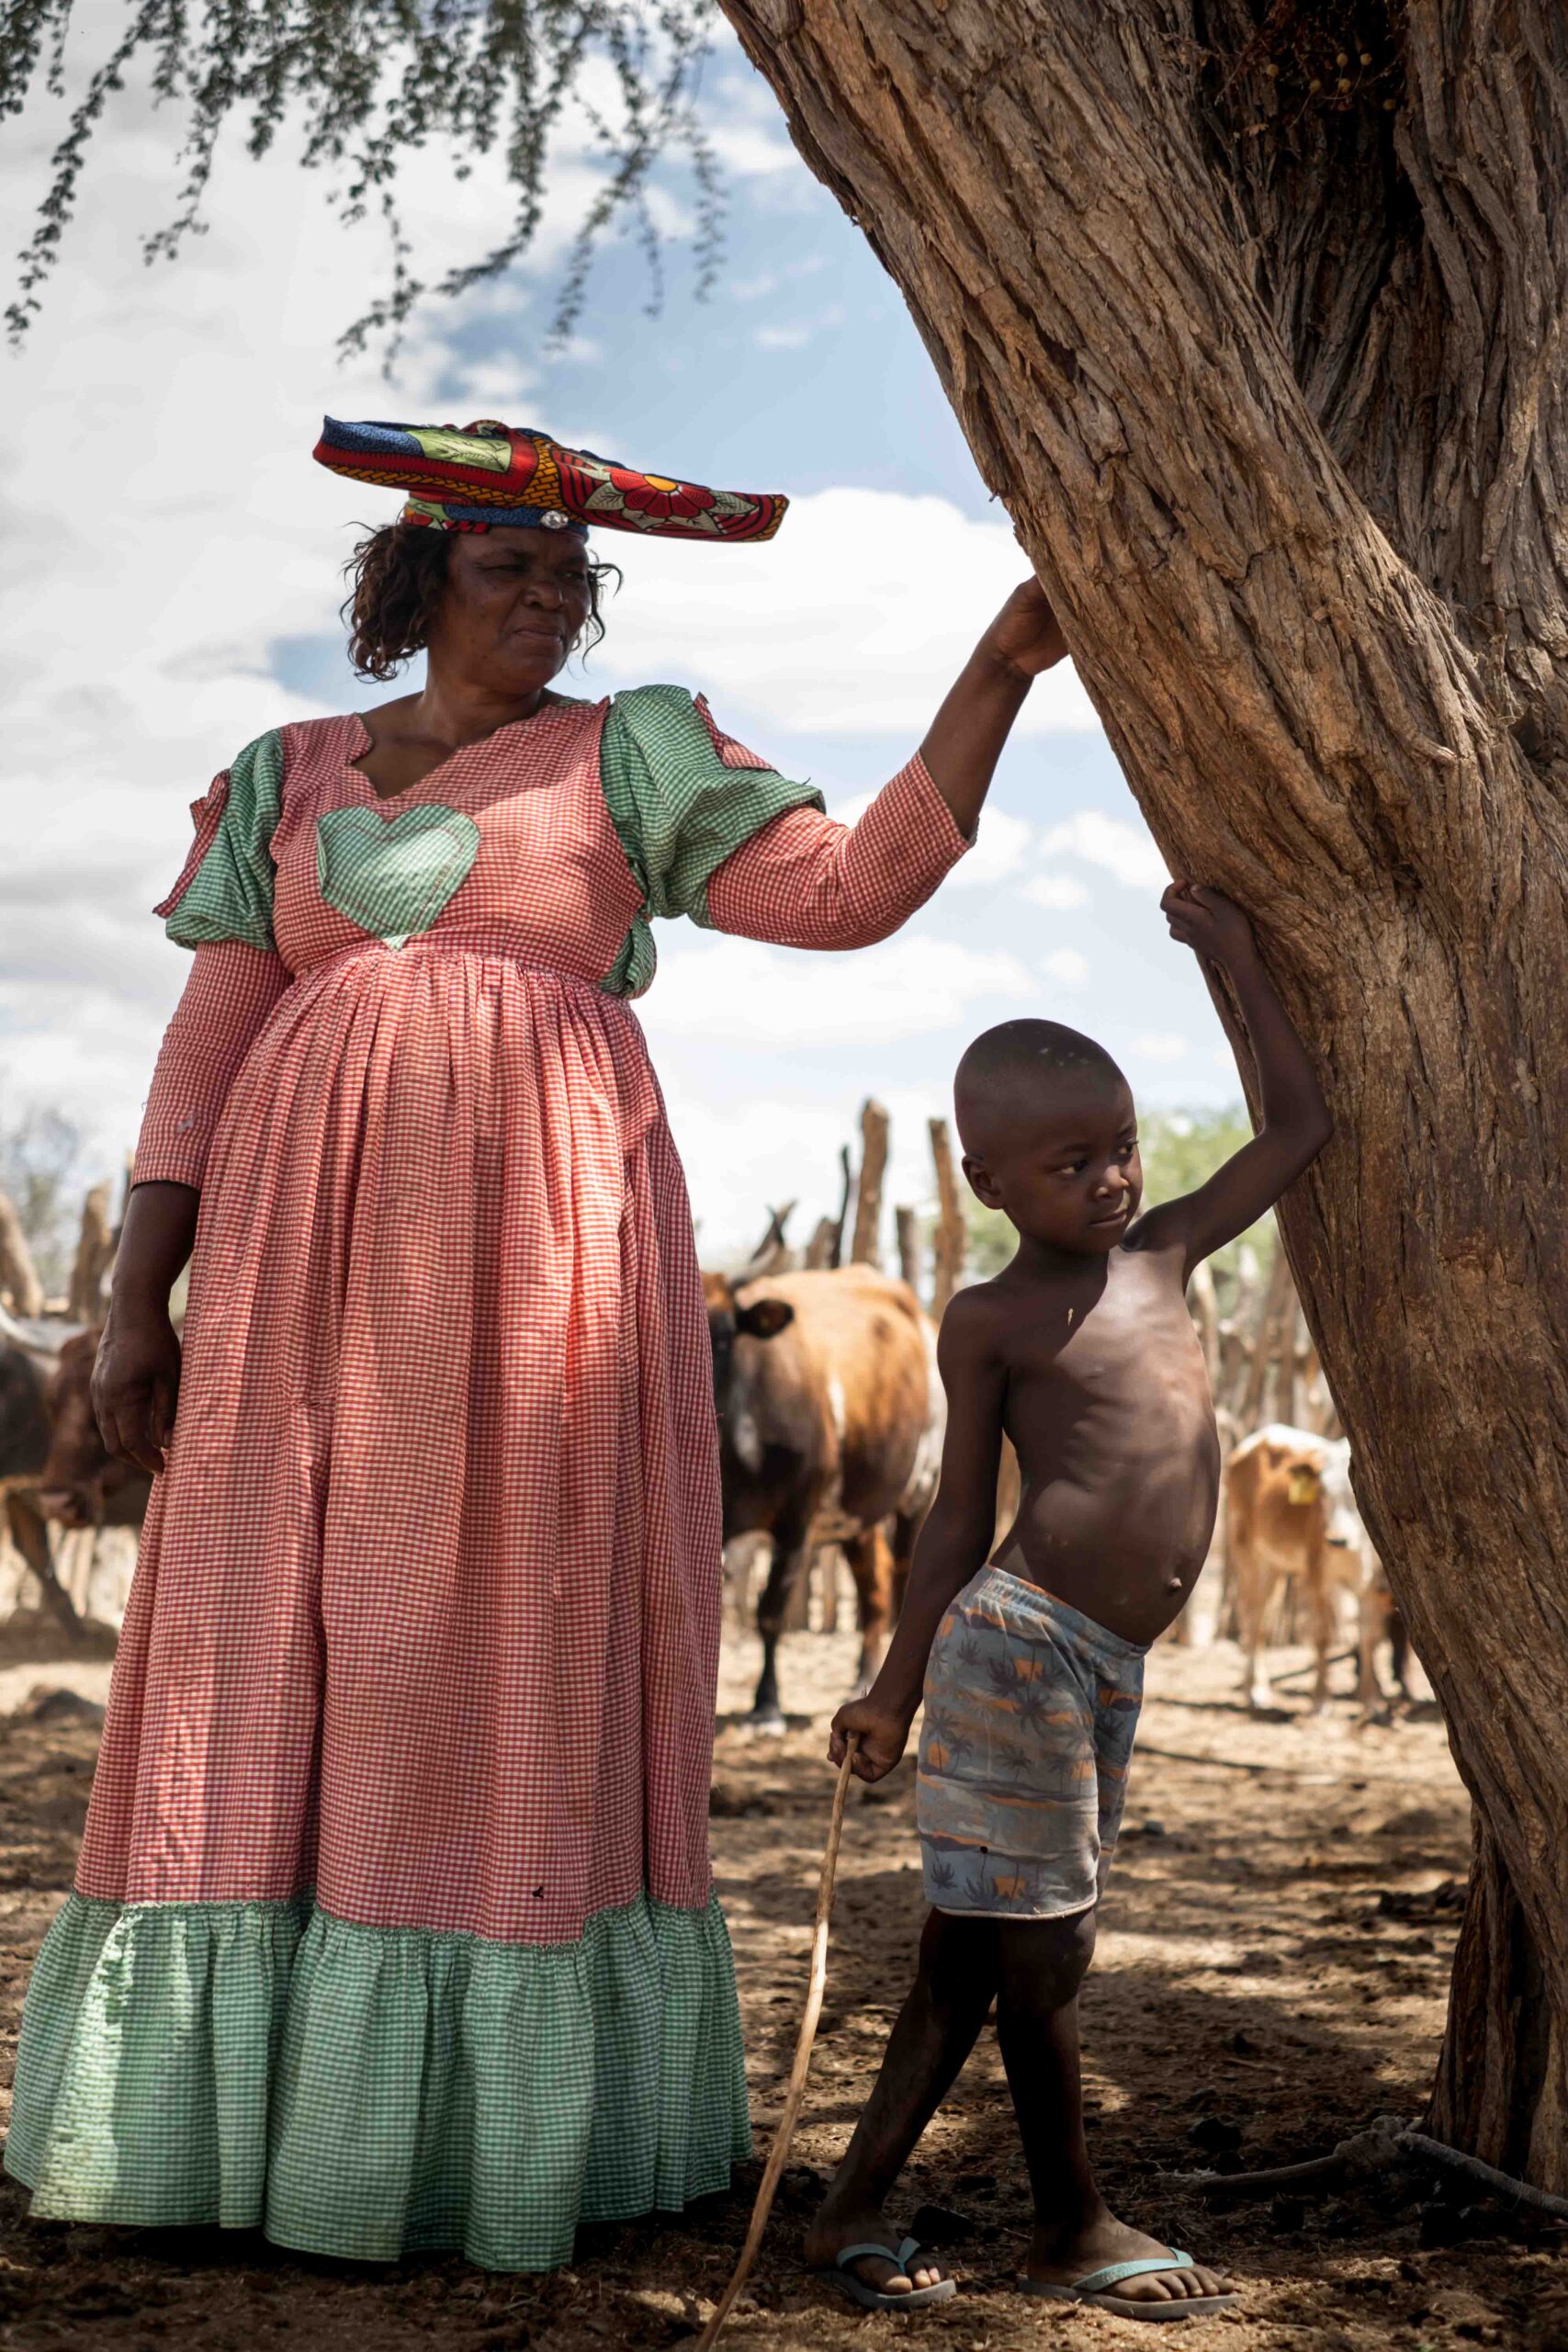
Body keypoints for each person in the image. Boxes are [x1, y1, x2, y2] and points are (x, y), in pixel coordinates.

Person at [3, 417, 1068, 2272]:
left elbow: (841, 892)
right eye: (509, 566)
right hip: (284, 1277)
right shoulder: (287, 774)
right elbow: (203, 1042)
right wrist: (132, 1295)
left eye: (572, 575)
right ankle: (221, 2132)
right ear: (413, 580)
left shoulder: (628, 749)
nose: (550, 599)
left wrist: (988, 672)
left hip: (543, 1277)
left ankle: (477, 2139)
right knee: (266, 1637)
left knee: (487, 1638)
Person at [809, 881, 1332, 2317]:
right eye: (1067, 1165)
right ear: (988, 1184)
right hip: (1016, 1654)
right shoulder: (990, 1321)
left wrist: (1235, 960)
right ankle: (1069, 2223)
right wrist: (894, 1687)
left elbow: (1298, 1132)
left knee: (970, 1955)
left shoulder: (1164, 1250)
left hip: (1104, 1664)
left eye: (1115, 1152)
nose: (1108, 1182)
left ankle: (849, 2203)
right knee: (1045, 1949)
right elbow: (953, 1516)